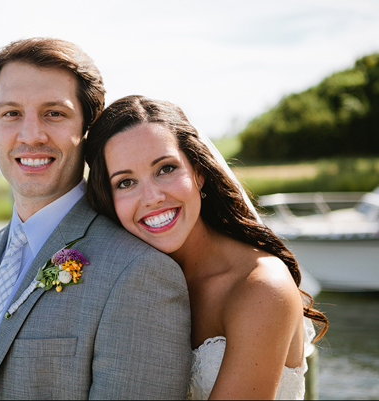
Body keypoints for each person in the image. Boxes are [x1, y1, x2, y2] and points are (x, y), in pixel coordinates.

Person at [0, 40, 192, 400]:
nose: (31, 135)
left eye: (54, 113)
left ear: (89, 132)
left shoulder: (140, 273)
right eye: (11, 114)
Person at [85, 95, 329, 400]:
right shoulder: (130, 282)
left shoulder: (260, 286)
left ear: (198, 172)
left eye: (165, 169)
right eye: (125, 183)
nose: (151, 197)